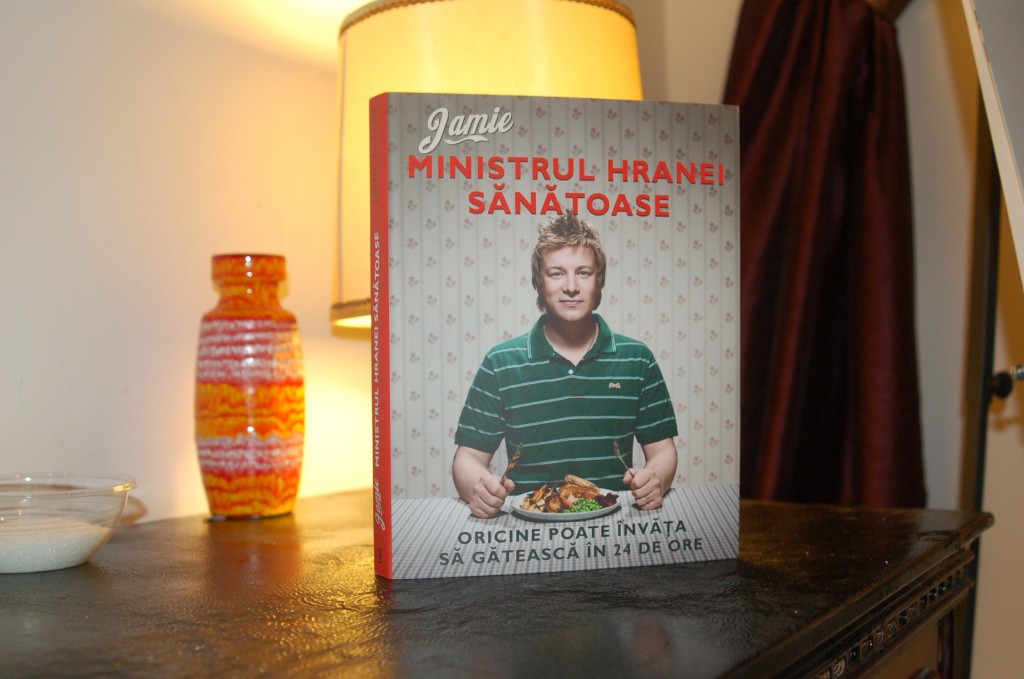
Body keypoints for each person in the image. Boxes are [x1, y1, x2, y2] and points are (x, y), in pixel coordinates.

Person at [452, 210, 678, 519]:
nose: (571, 286)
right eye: (556, 273)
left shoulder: (638, 359)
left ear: (599, 282)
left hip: (616, 522)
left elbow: (663, 451)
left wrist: (656, 478)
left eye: (583, 273)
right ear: (539, 283)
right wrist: (478, 487)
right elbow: (467, 458)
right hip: (526, 526)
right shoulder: (500, 363)